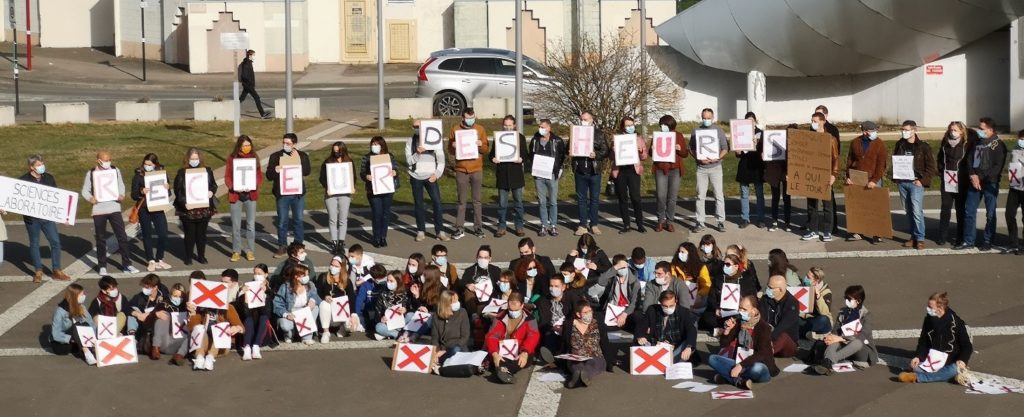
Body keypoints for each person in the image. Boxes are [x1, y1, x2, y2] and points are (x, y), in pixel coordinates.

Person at [82, 150, 138, 275]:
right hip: (99, 210)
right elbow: (85, 191)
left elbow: (121, 185)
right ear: (98, 160)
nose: (108, 162)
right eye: (105, 160)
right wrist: (91, 198)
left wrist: (122, 195)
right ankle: (102, 265)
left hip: (114, 208)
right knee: (100, 239)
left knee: (122, 236)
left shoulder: (115, 170)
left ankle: (127, 264)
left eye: (109, 160)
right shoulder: (91, 173)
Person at [956, 118, 1008, 251]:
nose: (979, 131)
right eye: (979, 128)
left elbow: (997, 167)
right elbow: (969, 160)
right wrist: (972, 175)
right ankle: (968, 240)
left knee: (990, 213)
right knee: (969, 211)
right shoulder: (977, 143)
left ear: (990, 130)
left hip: (990, 183)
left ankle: (988, 240)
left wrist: (981, 177)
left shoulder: (999, 145)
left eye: (982, 129)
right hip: (974, 182)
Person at [899, 292, 973, 384]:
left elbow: (967, 345)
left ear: (940, 308)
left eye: (930, 307)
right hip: (932, 360)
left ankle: (918, 378)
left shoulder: (956, 323)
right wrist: (918, 356)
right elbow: (923, 341)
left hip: (950, 360)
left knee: (954, 370)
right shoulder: (928, 320)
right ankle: (942, 376)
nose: (928, 309)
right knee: (915, 367)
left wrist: (962, 359)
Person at [709, 295, 779, 390]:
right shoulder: (738, 323)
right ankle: (738, 381)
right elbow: (724, 345)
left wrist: (741, 366)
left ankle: (727, 376)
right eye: (740, 308)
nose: (741, 312)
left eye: (744, 309)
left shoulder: (763, 327)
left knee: (757, 368)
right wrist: (727, 331)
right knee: (713, 359)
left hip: (758, 363)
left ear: (753, 311)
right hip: (739, 361)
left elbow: (761, 353)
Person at [22, 155, 69, 283]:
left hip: (47, 218)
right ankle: (38, 271)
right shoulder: (23, 180)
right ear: (31, 167)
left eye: (42, 163)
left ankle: (56, 270)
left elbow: (57, 198)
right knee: (34, 243)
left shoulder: (49, 178)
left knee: (55, 242)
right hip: (32, 219)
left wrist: (64, 216)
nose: (41, 166)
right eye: (38, 164)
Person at [813, 285, 877, 375]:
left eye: (849, 299)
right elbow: (835, 331)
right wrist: (831, 337)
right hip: (846, 348)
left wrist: (841, 338)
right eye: (845, 298)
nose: (846, 301)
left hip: (862, 352)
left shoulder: (866, 315)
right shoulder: (843, 312)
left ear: (858, 301)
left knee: (857, 342)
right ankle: (827, 364)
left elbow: (862, 336)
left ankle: (829, 361)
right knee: (833, 341)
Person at [266, 133, 312, 257]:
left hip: (297, 194)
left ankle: (298, 246)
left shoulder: (302, 156)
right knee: (282, 221)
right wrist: (275, 170)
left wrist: (299, 161)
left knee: (298, 220)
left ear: (294, 144)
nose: (285, 145)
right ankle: (282, 245)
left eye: (288, 143)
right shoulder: (276, 156)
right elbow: (269, 176)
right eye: (284, 143)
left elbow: (307, 171)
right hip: (283, 194)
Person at [893, 120, 937, 249]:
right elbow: (896, 160)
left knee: (917, 211)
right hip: (903, 182)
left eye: (906, 130)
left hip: (916, 183)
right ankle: (913, 236)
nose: (904, 132)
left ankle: (920, 238)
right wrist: (897, 178)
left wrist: (922, 181)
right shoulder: (900, 144)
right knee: (909, 211)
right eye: (903, 129)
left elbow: (931, 167)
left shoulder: (923, 146)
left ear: (914, 130)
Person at [448, 108, 490, 239]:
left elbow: (485, 148)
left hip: (476, 168)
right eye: (467, 117)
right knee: (461, 201)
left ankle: (478, 227)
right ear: (463, 118)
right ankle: (459, 228)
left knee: (477, 200)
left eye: (472, 117)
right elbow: (449, 149)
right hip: (461, 169)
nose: (470, 120)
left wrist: (480, 144)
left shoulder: (480, 129)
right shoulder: (455, 129)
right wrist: (453, 145)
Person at [844, 120, 888, 243]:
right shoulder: (855, 143)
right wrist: (848, 176)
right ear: (864, 132)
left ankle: (877, 233)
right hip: (857, 177)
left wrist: (874, 180)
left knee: (875, 207)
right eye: (872, 130)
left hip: (873, 179)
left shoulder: (880, 144)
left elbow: (881, 165)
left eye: (875, 130)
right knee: (858, 206)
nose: (874, 132)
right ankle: (857, 232)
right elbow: (849, 161)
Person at [407, 120, 450, 242]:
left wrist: (437, 174)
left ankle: (440, 231)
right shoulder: (410, 141)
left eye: (419, 126)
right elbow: (409, 161)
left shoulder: (434, 139)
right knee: (419, 204)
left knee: (437, 203)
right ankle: (420, 231)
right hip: (416, 176)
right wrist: (417, 153)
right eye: (414, 126)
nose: (417, 128)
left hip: (431, 176)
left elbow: (441, 158)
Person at [173, 148, 217, 266]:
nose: (194, 161)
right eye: (192, 159)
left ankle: (201, 256)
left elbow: (213, 185)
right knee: (190, 234)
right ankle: (188, 257)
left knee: (201, 234)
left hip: (203, 208)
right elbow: (178, 191)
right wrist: (183, 203)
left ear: (200, 159)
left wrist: (211, 192)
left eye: (196, 158)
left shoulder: (207, 171)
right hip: (188, 208)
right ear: (188, 159)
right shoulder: (182, 172)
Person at [485, 292, 541, 384]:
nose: (512, 312)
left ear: (522, 305)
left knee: (524, 359)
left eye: (515, 310)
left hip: (520, 349)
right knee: (498, 358)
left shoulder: (530, 319)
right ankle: (503, 371)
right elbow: (492, 336)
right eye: (510, 309)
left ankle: (504, 370)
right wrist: (495, 353)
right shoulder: (500, 317)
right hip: (502, 348)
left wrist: (525, 352)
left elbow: (533, 336)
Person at [689, 108, 729, 233]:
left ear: (712, 117)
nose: (706, 120)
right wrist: (698, 158)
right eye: (704, 118)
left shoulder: (718, 130)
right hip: (701, 169)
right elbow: (691, 148)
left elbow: (725, 148)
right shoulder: (696, 131)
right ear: (701, 117)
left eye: (708, 118)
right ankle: (700, 222)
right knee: (700, 196)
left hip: (716, 168)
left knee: (718, 195)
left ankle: (720, 221)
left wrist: (716, 158)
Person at [801, 113, 840, 242]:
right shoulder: (809, 138)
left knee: (827, 206)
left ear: (823, 122)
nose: (813, 123)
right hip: (811, 175)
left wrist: (833, 174)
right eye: (812, 121)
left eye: (815, 121)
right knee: (812, 205)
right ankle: (813, 230)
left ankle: (827, 231)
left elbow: (835, 158)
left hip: (826, 175)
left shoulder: (831, 139)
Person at [488, 115, 528, 237]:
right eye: (505, 125)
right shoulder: (499, 138)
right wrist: (493, 159)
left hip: (516, 174)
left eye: (510, 125)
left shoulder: (520, 138)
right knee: (502, 204)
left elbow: (525, 155)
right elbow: (491, 155)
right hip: (502, 174)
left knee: (518, 203)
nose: (507, 127)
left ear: (514, 125)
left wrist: (521, 159)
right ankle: (501, 226)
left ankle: (519, 226)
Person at [130, 153, 172, 272]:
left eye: (150, 164)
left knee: (163, 234)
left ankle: (159, 258)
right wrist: (141, 191)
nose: (147, 166)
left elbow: (168, 194)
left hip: (158, 207)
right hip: (144, 209)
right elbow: (133, 195)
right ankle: (151, 260)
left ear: (155, 164)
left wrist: (167, 189)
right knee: (147, 235)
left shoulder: (162, 175)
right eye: (145, 164)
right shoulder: (138, 176)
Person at [527, 118, 568, 236]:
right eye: (540, 127)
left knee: (553, 202)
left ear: (549, 128)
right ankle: (544, 225)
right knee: (542, 202)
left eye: (543, 127)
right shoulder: (535, 140)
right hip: (539, 175)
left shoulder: (557, 140)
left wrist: (558, 169)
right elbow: (531, 154)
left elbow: (561, 156)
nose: (541, 129)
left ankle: (553, 225)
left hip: (552, 174)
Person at [186, 288, 244, 371]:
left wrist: (237, 328)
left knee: (221, 326)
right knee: (199, 327)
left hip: (220, 346)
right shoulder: (202, 308)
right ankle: (199, 358)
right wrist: (193, 314)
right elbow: (192, 328)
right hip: (203, 343)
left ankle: (210, 358)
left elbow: (241, 326)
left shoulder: (228, 308)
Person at [225, 136, 263, 262]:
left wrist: (253, 185)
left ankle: (250, 250)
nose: (247, 147)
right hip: (236, 195)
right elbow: (227, 177)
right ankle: (236, 251)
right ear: (239, 146)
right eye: (244, 145)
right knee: (236, 226)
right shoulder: (232, 158)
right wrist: (234, 187)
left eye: (249, 145)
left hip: (250, 195)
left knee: (250, 225)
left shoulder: (254, 158)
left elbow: (259, 176)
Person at [635, 290, 698, 364]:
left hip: (675, 345)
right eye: (665, 306)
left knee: (671, 361)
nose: (668, 308)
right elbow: (641, 325)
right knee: (640, 347)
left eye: (671, 306)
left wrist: (689, 347)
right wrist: (640, 337)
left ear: (676, 301)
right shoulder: (652, 310)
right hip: (656, 343)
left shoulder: (684, 312)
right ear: (660, 303)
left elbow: (691, 330)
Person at [573, 111, 610, 236]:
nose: (584, 121)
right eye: (582, 119)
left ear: (592, 120)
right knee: (581, 199)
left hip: (594, 171)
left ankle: (594, 224)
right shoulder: (575, 132)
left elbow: (605, 150)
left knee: (594, 199)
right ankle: (582, 225)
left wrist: (597, 155)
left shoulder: (599, 134)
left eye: (586, 119)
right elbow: (570, 148)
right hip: (580, 170)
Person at [701, 253, 758, 331]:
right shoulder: (718, 279)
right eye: (724, 264)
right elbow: (711, 298)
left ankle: (729, 327)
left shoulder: (746, 279)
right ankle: (727, 327)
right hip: (722, 312)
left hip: (739, 311)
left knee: (747, 316)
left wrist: (742, 308)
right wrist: (716, 309)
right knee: (707, 317)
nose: (725, 266)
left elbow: (752, 296)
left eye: (728, 264)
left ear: (736, 266)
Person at [610, 116, 648, 234]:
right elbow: (611, 157)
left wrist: (640, 150)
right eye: (627, 125)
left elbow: (645, 156)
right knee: (622, 198)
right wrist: (613, 150)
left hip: (633, 170)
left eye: (631, 125)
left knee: (636, 197)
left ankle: (640, 223)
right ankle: (626, 224)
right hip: (620, 171)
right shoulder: (617, 139)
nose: (630, 127)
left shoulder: (639, 139)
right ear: (623, 127)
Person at [652, 115, 689, 232]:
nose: (663, 127)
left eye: (665, 125)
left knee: (672, 197)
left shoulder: (678, 136)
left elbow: (685, 153)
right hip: (660, 169)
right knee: (660, 196)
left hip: (675, 169)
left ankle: (670, 221)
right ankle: (660, 220)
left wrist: (679, 148)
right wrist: (651, 149)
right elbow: (650, 153)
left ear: (671, 125)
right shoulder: (657, 136)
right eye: (661, 125)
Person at [936, 122, 971, 246]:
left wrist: (965, 175)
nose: (952, 132)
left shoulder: (966, 145)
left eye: (955, 130)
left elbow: (969, 162)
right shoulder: (945, 143)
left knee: (960, 209)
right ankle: (942, 236)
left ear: (961, 131)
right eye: (951, 130)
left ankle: (960, 236)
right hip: (947, 179)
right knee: (945, 208)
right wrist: (941, 172)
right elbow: (940, 159)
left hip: (961, 181)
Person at [361, 136, 399, 248]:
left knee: (385, 214)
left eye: (377, 144)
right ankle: (376, 237)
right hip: (373, 190)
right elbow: (362, 172)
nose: (374, 146)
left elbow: (396, 168)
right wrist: (366, 176)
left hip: (387, 189)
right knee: (377, 213)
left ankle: (383, 237)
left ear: (382, 145)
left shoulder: (389, 156)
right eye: (373, 144)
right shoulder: (367, 157)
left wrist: (395, 172)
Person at [536, 274, 582, 362]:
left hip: (567, 328)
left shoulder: (572, 298)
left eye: (556, 286)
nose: (553, 288)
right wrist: (553, 328)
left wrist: (564, 327)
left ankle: (564, 357)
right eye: (551, 286)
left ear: (563, 287)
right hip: (552, 329)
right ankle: (552, 356)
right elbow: (543, 321)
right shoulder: (544, 301)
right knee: (549, 337)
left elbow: (575, 316)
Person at [562, 301, 608, 388]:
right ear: (578, 314)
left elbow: (605, 342)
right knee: (576, 365)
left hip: (595, 355)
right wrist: (559, 360)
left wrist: (609, 361)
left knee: (593, 364)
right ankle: (580, 376)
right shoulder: (569, 325)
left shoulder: (597, 324)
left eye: (590, 311)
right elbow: (564, 342)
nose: (589, 314)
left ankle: (580, 377)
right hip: (576, 356)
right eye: (585, 312)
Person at [318, 141, 354, 256]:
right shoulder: (327, 162)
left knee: (343, 219)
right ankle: (334, 242)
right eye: (334, 151)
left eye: (338, 151)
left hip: (345, 194)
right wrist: (327, 186)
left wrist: (352, 187)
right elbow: (322, 178)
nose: (336, 153)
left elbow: (353, 177)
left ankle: (341, 243)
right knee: (333, 219)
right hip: (331, 194)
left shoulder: (349, 162)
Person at [272, 263, 321, 345]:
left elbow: (317, 297)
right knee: (286, 326)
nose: (307, 277)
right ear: (296, 276)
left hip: (304, 312)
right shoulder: (285, 287)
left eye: (307, 275)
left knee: (315, 308)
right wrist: (286, 314)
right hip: (290, 312)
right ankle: (289, 335)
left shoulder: (310, 285)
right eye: (304, 275)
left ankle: (306, 336)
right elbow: (277, 304)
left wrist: (313, 300)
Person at [50, 283, 97, 365]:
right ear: (74, 296)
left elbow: (90, 323)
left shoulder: (82, 307)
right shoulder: (60, 312)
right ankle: (86, 352)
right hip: (64, 342)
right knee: (76, 326)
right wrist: (72, 339)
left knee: (84, 324)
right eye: (82, 294)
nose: (84, 296)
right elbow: (56, 334)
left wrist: (94, 337)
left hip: (80, 339)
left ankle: (87, 348)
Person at [316, 256, 359, 343]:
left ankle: (342, 328)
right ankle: (326, 332)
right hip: (328, 314)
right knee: (324, 304)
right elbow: (318, 293)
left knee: (352, 325)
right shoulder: (323, 277)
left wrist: (353, 315)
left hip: (341, 314)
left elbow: (351, 298)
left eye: (336, 266)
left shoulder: (347, 281)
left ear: (342, 268)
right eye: (332, 265)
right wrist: (325, 296)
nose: (333, 267)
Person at [126, 273, 170, 359]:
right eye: (144, 287)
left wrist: (151, 315)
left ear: (155, 287)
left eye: (147, 287)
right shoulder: (140, 297)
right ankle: (132, 337)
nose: (144, 289)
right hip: (143, 323)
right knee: (133, 310)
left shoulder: (164, 297)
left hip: (157, 324)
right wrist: (138, 314)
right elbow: (127, 307)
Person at [736, 112, 766, 228]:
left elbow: (765, 150)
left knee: (759, 193)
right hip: (745, 166)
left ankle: (761, 219)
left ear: (755, 121)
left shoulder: (761, 133)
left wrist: (758, 146)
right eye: (747, 120)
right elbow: (738, 153)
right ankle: (745, 218)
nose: (750, 123)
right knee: (744, 193)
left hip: (757, 166)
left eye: (752, 120)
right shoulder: (740, 132)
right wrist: (738, 152)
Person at [758, 275, 800, 358]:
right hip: (768, 337)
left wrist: (769, 338)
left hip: (786, 344)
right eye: (767, 286)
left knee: (782, 336)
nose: (767, 289)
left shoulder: (792, 303)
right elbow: (761, 318)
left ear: (780, 289)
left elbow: (784, 326)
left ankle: (761, 354)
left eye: (770, 287)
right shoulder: (765, 299)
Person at [430, 290, 471, 369]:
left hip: (458, 347)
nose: (457, 303)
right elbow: (435, 338)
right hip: (442, 349)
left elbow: (465, 336)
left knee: (456, 350)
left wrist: (446, 351)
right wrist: (436, 352)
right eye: (454, 301)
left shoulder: (462, 313)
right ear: (446, 303)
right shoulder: (436, 316)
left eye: (457, 300)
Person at [238, 265, 272, 360]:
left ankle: (256, 346)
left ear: (266, 274)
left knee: (264, 318)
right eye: (255, 273)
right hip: (249, 317)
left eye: (259, 274)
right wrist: (242, 295)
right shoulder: (248, 286)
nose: (256, 276)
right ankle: (247, 348)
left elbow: (268, 311)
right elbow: (244, 312)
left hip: (262, 318)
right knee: (248, 320)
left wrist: (265, 294)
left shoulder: (270, 287)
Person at [764, 127, 792, 232]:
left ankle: (787, 222)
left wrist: (789, 173)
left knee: (786, 198)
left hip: (786, 172)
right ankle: (774, 221)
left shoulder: (791, 144)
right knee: (775, 197)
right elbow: (765, 152)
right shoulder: (771, 141)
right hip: (774, 171)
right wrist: (763, 155)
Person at [155, 283, 191, 365]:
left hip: (180, 344)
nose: (178, 299)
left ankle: (179, 356)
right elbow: (151, 321)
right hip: (166, 341)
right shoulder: (163, 305)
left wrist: (191, 313)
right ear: (170, 295)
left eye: (180, 297)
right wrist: (156, 314)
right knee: (161, 318)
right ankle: (155, 349)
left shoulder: (188, 307)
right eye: (175, 296)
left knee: (193, 333)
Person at [670, 242, 711, 313]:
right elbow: (672, 279)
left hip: (696, 298)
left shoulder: (701, 267)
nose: (680, 254)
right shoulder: (674, 265)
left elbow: (707, 285)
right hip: (679, 295)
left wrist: (699, 294)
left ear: (690, 253)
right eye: (679, 252)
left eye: (683, 252)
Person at [372, 269, 410, 340]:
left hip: (402, 323)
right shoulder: (383, 294)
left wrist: (405, 310)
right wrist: (381, 319)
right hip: (389, 324)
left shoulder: (406, 293)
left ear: (398, 282)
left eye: (391, 281)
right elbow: (378, 311)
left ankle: (388, 334)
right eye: (388, 280)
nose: (388, 283)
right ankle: (400, 335)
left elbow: (412, 309)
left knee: (410, 316)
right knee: (379, 327)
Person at [800, 266, 834, 340]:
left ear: (816, 281)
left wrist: (818, 297)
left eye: (808, 277)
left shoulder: (826, 292)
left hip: (818, 320)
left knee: (823, 320)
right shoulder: (803, 287)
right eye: (806, 275)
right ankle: (806, 333)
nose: (805, 278)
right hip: (806, 318)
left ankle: (802, 332)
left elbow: (824, 313)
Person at [237, 49, 271, 118]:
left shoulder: (248, 62)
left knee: (241, 99)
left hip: (247, 85)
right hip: (248, 85)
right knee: (257, 98)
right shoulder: (246, 64)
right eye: (253, 55)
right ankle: (263, 114)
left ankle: (232, 110)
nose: (254, 57)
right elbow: (244, 75)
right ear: (250, 55)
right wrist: (250, 83)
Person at [356, 264, 387, 337]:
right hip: (369, 311)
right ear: (373, 278)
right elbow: (359, 302)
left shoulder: (385, 285)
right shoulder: (366, 285)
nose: (382, 280)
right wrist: (357, 315)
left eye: (383, 277)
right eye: (379, 278)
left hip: (381, 312)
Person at [1006, 130, 1024, 254]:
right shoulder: (1014, 150)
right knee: (1009, 214)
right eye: (1020, 138)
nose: (1021, 141)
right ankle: (1013, 243)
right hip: (1015, 187)